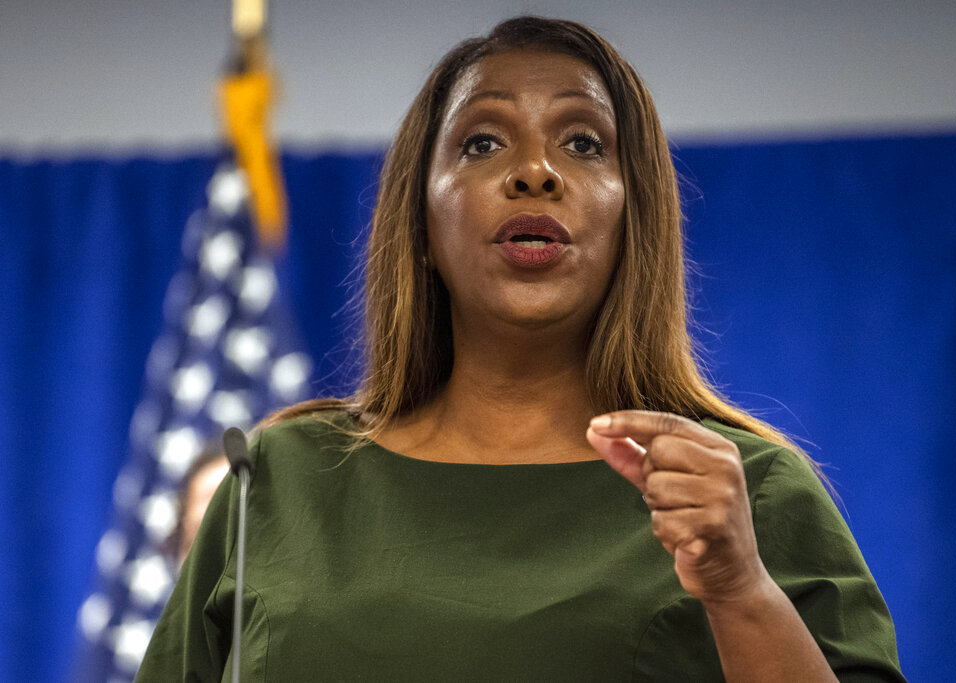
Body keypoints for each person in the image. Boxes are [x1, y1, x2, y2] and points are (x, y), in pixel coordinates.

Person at [138, 16, 904, 681]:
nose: (535, 172)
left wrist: (740, 588)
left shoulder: (747, 494)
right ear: (421, 224)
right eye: (481, 141)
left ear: (634, 219)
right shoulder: (273, 484)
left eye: (581, 142)